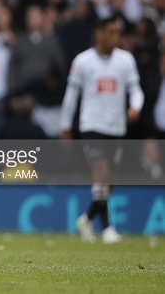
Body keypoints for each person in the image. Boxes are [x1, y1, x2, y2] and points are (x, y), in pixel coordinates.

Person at [60, 16, 144, 244]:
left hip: (116, 127)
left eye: (117, 33)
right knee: (101, 172)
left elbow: (136, 90)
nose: (115, 37)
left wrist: (135, 107)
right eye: (111, 32)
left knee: (110, 181)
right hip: (92, 126)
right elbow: (71, 96)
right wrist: (65, 126)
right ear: (99, 33)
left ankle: (86, 219)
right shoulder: (83, 61)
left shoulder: (125, 61)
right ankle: (107, 229)